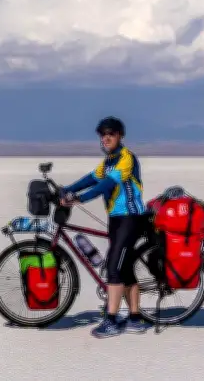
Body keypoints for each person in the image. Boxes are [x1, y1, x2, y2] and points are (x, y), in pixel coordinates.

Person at [60, 116, 151, 338]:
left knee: (114, 268)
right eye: (103, 135)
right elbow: (92, 178)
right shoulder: (109, 161)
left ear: (120, 136)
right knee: (126, 267)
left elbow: (106, 185)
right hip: (116, 219)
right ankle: (135, 318)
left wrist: (79, 199)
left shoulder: (126, 159)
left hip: (130, 218)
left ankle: (111, 321)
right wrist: (68, 188)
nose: (106, 138)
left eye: (111, 134)